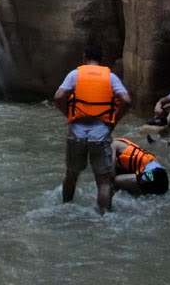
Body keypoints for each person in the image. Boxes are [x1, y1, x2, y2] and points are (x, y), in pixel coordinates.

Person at [54, 44, 131, 214]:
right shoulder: (110, 77)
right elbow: (126, 100)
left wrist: (69, 115)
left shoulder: (75, 75)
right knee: (103, 181)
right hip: (100, 131)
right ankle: (104, 218)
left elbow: (59, 96)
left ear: (84, 58)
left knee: (71, 175)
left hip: (77, 131)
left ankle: (66, 209)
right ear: (101, 60)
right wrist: (113, 122)